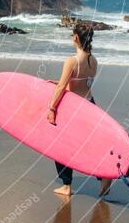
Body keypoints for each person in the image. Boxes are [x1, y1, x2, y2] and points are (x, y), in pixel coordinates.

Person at [46, 23, 111, 198]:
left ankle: (66, 185)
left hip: (72, 109)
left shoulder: (72, 61)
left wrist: (52, 107)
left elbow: (62, 87)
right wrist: (61, 84)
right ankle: (103, 174)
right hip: (89, 105)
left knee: (60, 147)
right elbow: (81, 85)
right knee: (87, 145)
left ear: (75, 37)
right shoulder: (93, 60)